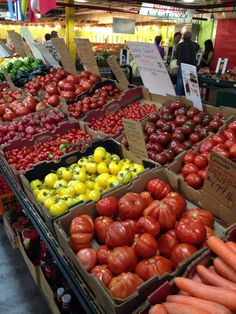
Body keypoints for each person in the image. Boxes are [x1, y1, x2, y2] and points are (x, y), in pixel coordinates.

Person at [176, 31, 200, 96]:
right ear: (190, 37)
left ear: (183, 38)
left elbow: (177, 56)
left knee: (180, 81)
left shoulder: (179, 45)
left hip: (182, 65)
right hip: (191, 66)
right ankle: (192, 97)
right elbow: (197, 51)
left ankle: (178, 96)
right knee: (192, 83)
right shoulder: (195, 45)